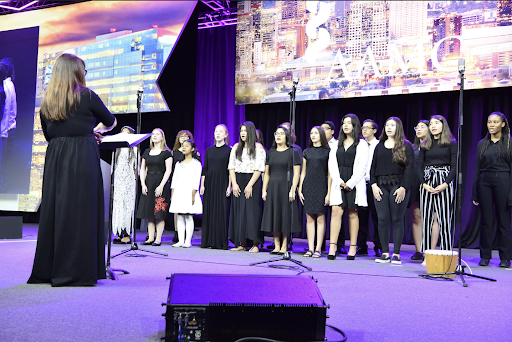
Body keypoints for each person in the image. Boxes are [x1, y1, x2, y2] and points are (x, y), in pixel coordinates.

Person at [28, 54, 117, 286]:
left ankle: (50, 270)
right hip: (82, 156)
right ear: (76, 72)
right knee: (82, 211)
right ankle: (79, 271)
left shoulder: (47, 102)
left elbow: (50, 135)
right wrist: (94, 130)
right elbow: (111, 120)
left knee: (57, 211)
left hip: (56, 157)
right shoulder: (87, 95)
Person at [371, 117, 413, 265]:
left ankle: (396, 253)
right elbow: (373, 167)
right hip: (380, 185)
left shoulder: (406, 146)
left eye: (392, 125)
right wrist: (374, 185)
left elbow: (409, 169)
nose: (389, 128)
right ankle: (384, 253)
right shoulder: (379, 145)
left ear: (398, 128)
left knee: (396, 219)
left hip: (398, 184)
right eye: (387, 125)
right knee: (382, 219)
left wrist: (403, 187)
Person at [472, 112, 512, 268]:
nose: (492, 125)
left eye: (495, 122)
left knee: (503, 220)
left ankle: (505, 258)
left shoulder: (509, 143)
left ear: (502, 124)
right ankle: (485, 256)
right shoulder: (482, 144)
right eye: (489, 122)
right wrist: (475, 192)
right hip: (484, 181)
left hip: (503, 180)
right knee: (486, 221)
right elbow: (477, 169)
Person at [327, 114, 369, 260]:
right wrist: (339, 181)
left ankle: (352, 247)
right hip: (339, 181)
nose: (346, 125)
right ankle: (333, 246)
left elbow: (362, 167)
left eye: (349, 123)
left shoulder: (362, 144)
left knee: (353, 213)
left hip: (354, 183)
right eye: (344, 123)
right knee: (336, 212)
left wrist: (350, 183)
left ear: (355, 126)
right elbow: (332, 165)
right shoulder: (336, 144)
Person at [418, 115, 457, 266]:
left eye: (437, 123)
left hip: (444, 180)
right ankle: (427, 255)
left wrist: (446, 184)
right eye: (432, 124)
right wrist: (423, 184)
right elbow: (419, 166)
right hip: (428, 181)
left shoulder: (451, 144)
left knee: (445, 220)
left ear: (443, 126)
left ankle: (446, 255)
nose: (433, 126)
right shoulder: (425, 144)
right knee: (426, 220)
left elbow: (454, 166)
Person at [261, 126, 302, 254]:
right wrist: (264, 190)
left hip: (286, 186)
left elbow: (296, 173)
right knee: (274, 215)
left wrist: (292, 189)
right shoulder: (270, 153)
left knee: (285, 216)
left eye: (281, 134)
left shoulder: (292, 152)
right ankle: (276, 245)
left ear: (287, 137)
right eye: (276, 133)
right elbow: (267, 173)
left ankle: (285, 245)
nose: (278, 136)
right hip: (273, 186)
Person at [228, 121, 266, 252]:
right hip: (239, 179)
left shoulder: (258, 148)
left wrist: (250, 185)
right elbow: (231, 167)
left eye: (245, 131)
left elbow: (259, 168)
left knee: (252, 212)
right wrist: (234, 184)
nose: (242, 133)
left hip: (253, 181)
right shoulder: (236, 147)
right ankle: (242, 243)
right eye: (241, 131)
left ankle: (255, 243)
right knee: (239, 212)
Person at [298, 126, 331, 258]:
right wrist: (300, 189)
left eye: (316, 133)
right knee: (309, 218)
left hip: (321, 186)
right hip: (308, 186)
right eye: (311, 133)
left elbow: (330, 175)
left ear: (321, 135)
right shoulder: (307, 152)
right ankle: (310, 248)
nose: (313, 135)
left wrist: (328, 193)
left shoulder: (327, 152)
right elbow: (303, 172)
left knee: (321, 218)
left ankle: (318, 248)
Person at [136, 128, 172, 246]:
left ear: (162, 137)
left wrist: (161, 185)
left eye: (158, 134)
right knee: (149, 213)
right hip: (148, 183)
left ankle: (158, 238)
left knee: (159, 213)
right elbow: (142, 169)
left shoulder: (166, 152)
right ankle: (150, 238)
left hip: (160, 182)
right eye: (153, 134)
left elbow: (168, 170)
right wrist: (143, 184)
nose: (155, 136)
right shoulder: (147, 152)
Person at [200, 124, 231, 249]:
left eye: (220, 131)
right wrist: (202, 185)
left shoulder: (229, 150)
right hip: (210, 183)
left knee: (221, 212)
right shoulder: (209, 150)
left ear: (225, 134)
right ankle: (208, 241)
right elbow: (205, 168)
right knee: (209, 211)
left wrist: (229, 186)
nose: (217, 133)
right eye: (216, 131)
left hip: (222, 182)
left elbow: (230, 170)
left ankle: (220, 242)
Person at [356, 119, 382, 257]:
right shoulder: (359, 145)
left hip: (374, 185)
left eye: (368, 127)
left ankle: (378, 246)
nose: (364, 130)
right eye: (363, 127)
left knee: (377, 217)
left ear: (375, 130)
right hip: (360, 184)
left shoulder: (379, 145)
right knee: (361, 217)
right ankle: (361, 246)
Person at [170, 139, 202, 247]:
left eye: (187, 146)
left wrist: (193, 194)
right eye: (183, 146)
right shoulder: (179, 164)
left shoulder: (196, 163)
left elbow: (197, 179)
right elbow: (174, 179)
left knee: (188, 215)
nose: (184, 148)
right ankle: (180, 240)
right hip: (179, 191)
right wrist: (173, 193)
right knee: (179, 215)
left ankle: (188, 241)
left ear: (192, 149)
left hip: (189, 191)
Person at [321, 120, 346, 255]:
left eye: (326, 128)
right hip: (320, 181)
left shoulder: (337, 145)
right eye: (321, 128)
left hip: (335, 181)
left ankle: (339, 244)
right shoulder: (318, 145)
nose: (323, 131)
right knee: (320, 213)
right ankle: (320, 245)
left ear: (332, 131)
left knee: (336, 213)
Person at [408, 120, 431, 261]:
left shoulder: (433, 147)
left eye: (423, 127)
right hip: (414, 183)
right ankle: (418, 250)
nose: (419, 129)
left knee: (430, 217)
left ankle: (430, 249)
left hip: (429, 183)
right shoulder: (412, 147)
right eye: (417, 127)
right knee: (416, 216)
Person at [112, 126, 138, 244]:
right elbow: (113, 166)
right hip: (118, 181)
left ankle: (127, 233)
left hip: (128, 181)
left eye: (127, 133)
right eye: (122, 133)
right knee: (118, 206)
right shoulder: (116, 149)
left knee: (127, 206)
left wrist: (135, 179)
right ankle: (118, 232)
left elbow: (136, 167)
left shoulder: (134, 149)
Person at [170, 130, 195, 242]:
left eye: (186, 136)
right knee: (177, 209)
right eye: (181, 136)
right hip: (177, 182)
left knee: (188, 209)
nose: (183, 138)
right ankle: (177, 232)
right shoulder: (174, 152)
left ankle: (187, 232)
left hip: (188, 183)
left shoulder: (193, 153)